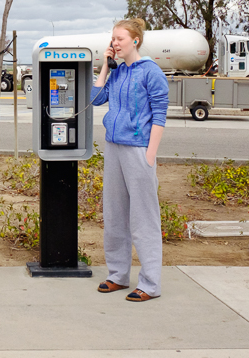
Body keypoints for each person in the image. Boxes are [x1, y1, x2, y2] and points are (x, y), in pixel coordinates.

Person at [90, 18, 169, 302]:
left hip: (138, 150)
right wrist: (105, 65)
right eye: (113, 39)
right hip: (114, 148)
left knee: (143, 218)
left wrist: (150, 155)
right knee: (114, 213)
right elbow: (95, 98)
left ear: (135, 40)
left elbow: (160, 114)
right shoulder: (118, 72)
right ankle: (118, 275)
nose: (115, 43)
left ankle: (150, 283)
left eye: (120, 39)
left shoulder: (151, 72)